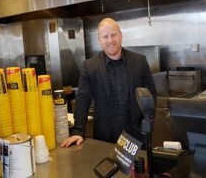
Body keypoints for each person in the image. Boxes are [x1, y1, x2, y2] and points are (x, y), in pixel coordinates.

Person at [60, 18, 156, 147]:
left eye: (113, 35)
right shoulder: (90, 66)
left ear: (121, 36)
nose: (110, 40)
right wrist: (78, 131)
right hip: (105, 138)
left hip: (137, 136)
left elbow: (152, 94)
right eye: (105, 37)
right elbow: (83, 99)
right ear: (99, 40)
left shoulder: (139, 61)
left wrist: (147, 124)